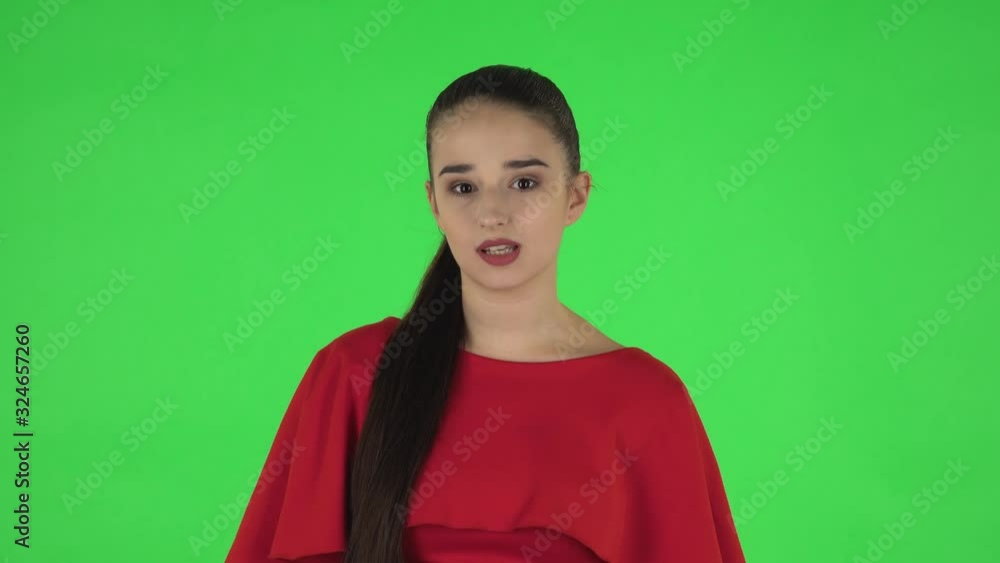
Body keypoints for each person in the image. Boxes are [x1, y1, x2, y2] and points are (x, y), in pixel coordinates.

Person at [224, 64, 746, 563]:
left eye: (525, 183)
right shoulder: (354, 372)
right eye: (463, 187)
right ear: (434, 203)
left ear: (576, 196)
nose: (492, 214)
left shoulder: (647, 401)